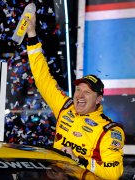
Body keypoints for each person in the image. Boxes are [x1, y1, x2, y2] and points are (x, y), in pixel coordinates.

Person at [22, 8, 125, 180]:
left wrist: (78, 160)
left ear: (99, 99)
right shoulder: (65, 106)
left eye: (88, 92)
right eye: (78, 90)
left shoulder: (109, 130)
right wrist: (32, 35)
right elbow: (42, 78)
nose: (80, 95)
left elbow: (114, 173)